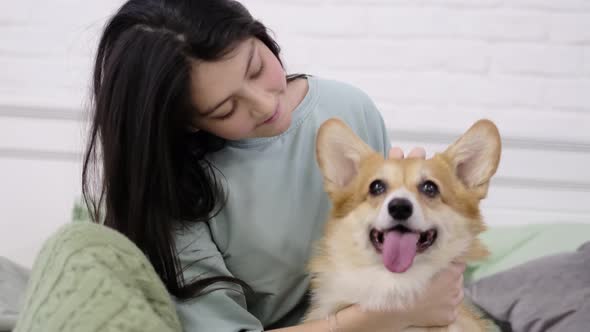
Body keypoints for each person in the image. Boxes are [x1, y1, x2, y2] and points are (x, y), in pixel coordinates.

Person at [77, 0, 465, 331]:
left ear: (259, 35)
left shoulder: (349, 110)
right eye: (226, 108)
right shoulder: (176, 193)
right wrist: (384, 316)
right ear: (187, 122)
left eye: (257, 68)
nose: (265, 104)